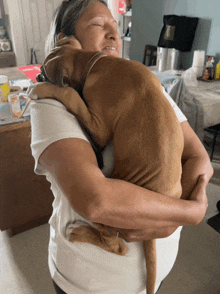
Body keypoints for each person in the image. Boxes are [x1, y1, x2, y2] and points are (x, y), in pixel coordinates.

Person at [28, 1, 213, 293]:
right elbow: (97, 201)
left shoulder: (144, 81)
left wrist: (171, 218)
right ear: (68, 41)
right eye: (98, 25)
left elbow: (197, 156)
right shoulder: (50, 102)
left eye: (115, 27)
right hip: (89, 285)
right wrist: (186, 213)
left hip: (158, 270)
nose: (114, 35)